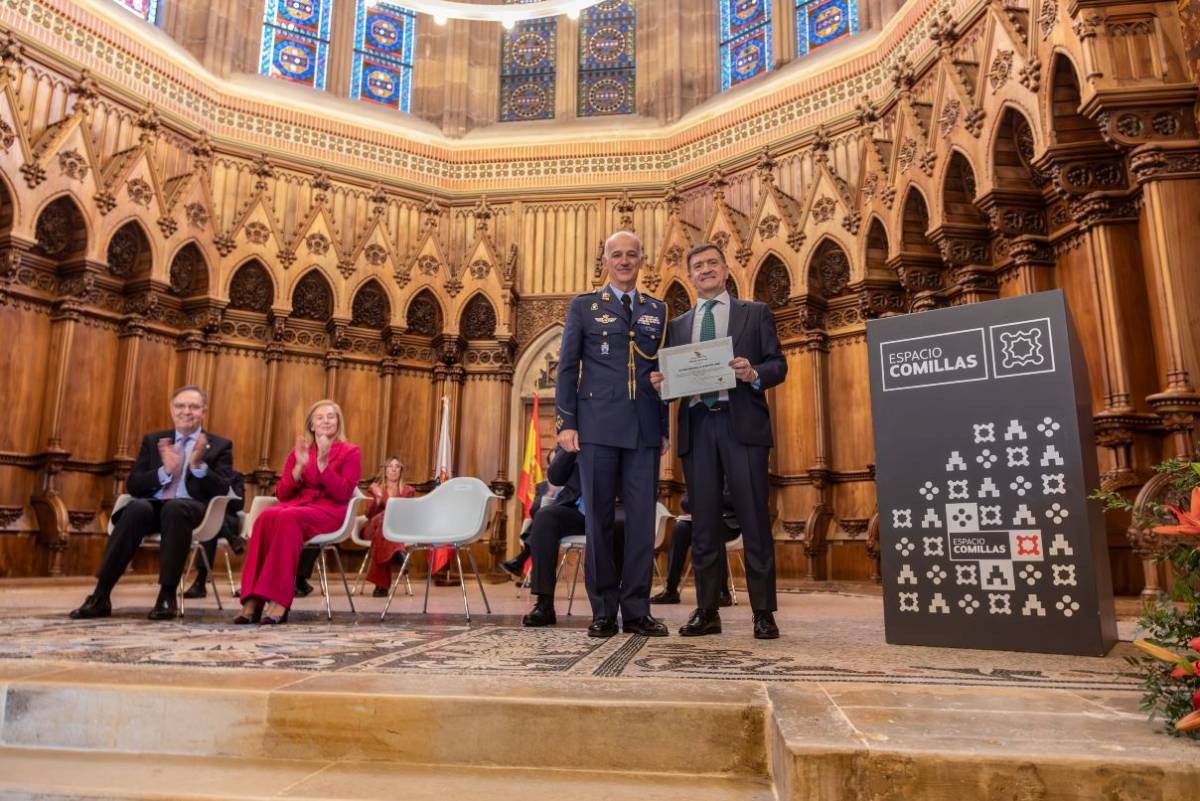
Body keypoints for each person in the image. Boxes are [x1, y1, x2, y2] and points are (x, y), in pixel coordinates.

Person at [651, 243, 787, 639]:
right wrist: (663, 384)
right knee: (703, 525)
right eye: (698, 266)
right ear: (690, 276)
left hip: (741, 426)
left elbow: (778, 364)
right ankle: (707, 610)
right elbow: (672, 383)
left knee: (755, 521)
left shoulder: (755, 313)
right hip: (698, 428)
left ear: (726, 271)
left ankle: (763, 612)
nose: (705, 270)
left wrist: (752, 373)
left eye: (712, 263)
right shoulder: (678, 326)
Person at [555, 230, 669, 638]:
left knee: (641, 522)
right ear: (605, 261)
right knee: (598, 519)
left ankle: (637, 611)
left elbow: (663, 374)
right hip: (597, 427)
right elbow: (567, 368)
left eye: (632, 255)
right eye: (617, 255)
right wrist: (566, 423)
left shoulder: (659, 310)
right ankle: (603, 610)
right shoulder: (585, 306)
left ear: (642, 260)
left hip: (642, 429)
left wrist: (664, 427)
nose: (624, 261)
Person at [69, 385, 234, 621]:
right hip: (155, 508)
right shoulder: (154, 440)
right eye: (180, 406)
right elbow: (134, 485)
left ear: (204, 412)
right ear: (171, 409)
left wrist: (198, 466)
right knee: (136, 507)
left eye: (194, 407)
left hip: (193, 509)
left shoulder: (219, 445)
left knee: (176, 508)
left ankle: (167, 596)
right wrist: (164, 470)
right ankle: (101, 595)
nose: (186, 411)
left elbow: (223, 489)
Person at [236, 399, 361, 624]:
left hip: (330, 511)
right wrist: (299, 468)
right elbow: (283, 494)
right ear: (311, 425)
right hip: (297, 505)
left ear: (338, 422)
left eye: (331, 416)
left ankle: (279, 599)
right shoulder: (300, 452)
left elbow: (343, 493)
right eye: (320, 417)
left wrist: (323, 464)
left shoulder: (351, 451)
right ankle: (253, 598)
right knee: (265, 517)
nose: (326, 421)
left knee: (287, 517)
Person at [519, 446, 586, 627]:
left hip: (611, 507)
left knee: (623, 522)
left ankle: (615, 608)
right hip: (578, 510)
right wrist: (570, 443)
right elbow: (555, 476)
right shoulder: (575, 435)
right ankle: (545, 605)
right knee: (545, 516)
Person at [650, 491, 736, 607]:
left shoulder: (731, 474)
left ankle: (722, 592)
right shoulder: (702, 474)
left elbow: (737, 499)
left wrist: (706, 497)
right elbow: (684, 502)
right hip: (701, 520)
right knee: (679, 528)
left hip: (728, 523)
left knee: (714, 529)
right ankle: (671, 590)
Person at [182, 470, 246, 599]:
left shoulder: (235, 476)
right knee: (211, 522)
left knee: (213, 524)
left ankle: (200, 582)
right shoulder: (200, 474)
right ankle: (232, 539)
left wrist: (223, 490)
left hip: (229, 519)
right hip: (204, 520)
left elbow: (239, 505)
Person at [362, 455, 416, 596]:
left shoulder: (407, 491)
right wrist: (378, 499)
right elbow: (368, 514)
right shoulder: (375, 489)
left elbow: (409, 516)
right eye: (390, 466)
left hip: (396, 531)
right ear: (385, 470)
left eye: (397, 466)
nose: (393, 469)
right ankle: (398, 553)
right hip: (371, 528)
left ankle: (381, 586)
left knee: (384, 529)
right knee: (382, 519)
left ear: (401, 471)